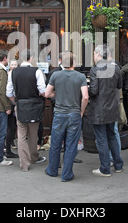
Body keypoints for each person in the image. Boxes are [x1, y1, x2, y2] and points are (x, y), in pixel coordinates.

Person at [45, 52, 89, 182]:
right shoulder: (80, 76)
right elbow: (85, 97)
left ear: (61, 62)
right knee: (71, 145)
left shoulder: (55, 75)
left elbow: (47, 94)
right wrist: (81, 111)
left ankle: (52, 170)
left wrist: (58, 94)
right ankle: (67, 174)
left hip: (59, 113)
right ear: (74, 63)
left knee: (55, 144)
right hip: (74, 114)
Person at [6, 50, 47, 172]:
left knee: (21, 135)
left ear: (21, 59)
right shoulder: (37, 71)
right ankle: (34, 157)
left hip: (20, 105)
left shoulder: (13, 73)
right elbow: (43, 91)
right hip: (34, 105)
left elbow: (8, 93)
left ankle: (24, 163)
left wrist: (16, 102)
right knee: (33, 134)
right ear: (32, 58)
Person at [88, 45, 123, 177]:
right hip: (112, 107)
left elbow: (94, 90)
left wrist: (88, 88)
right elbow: (119, 86)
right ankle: (118, 165)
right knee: (112, 136)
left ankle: (105, 168)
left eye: (94, 54)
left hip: (99, 109)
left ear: (97, 54)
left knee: (101, 139)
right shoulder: (116, 68)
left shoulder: (95, 69)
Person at [5, 59, 18, 159]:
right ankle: (7, 149)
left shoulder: (16, 75)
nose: (13, 66)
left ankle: (8, 145)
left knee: (12, 126)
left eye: (15, 64)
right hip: (9, 103)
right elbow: (7, 91)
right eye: (12, 64)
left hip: (12, 103)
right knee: (11, 127)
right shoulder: (7, 75)